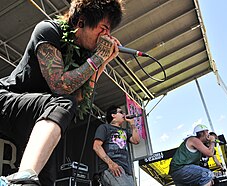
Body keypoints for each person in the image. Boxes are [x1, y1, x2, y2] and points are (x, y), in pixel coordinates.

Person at [0, 0, 124, 185]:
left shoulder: (83, 56)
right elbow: (60, 85)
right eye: (104, 28)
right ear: (82, 21)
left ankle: (26, 178)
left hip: (38, 116)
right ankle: (23, 176)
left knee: (45, 180)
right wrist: (98, 58)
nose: (106, 35)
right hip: (7, 100)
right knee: (63, 102)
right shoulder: (49, 30)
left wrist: (103, 62)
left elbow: (80, 96)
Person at [93, 105, 140, 186]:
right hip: (112, 167)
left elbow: (136, 140)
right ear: (113, 115)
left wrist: (132, 123)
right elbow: (96, 146)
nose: (124, 114)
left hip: (126, 171)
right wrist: (111, 164)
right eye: (121, 112)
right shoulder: (104, 127)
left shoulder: (124, 131)